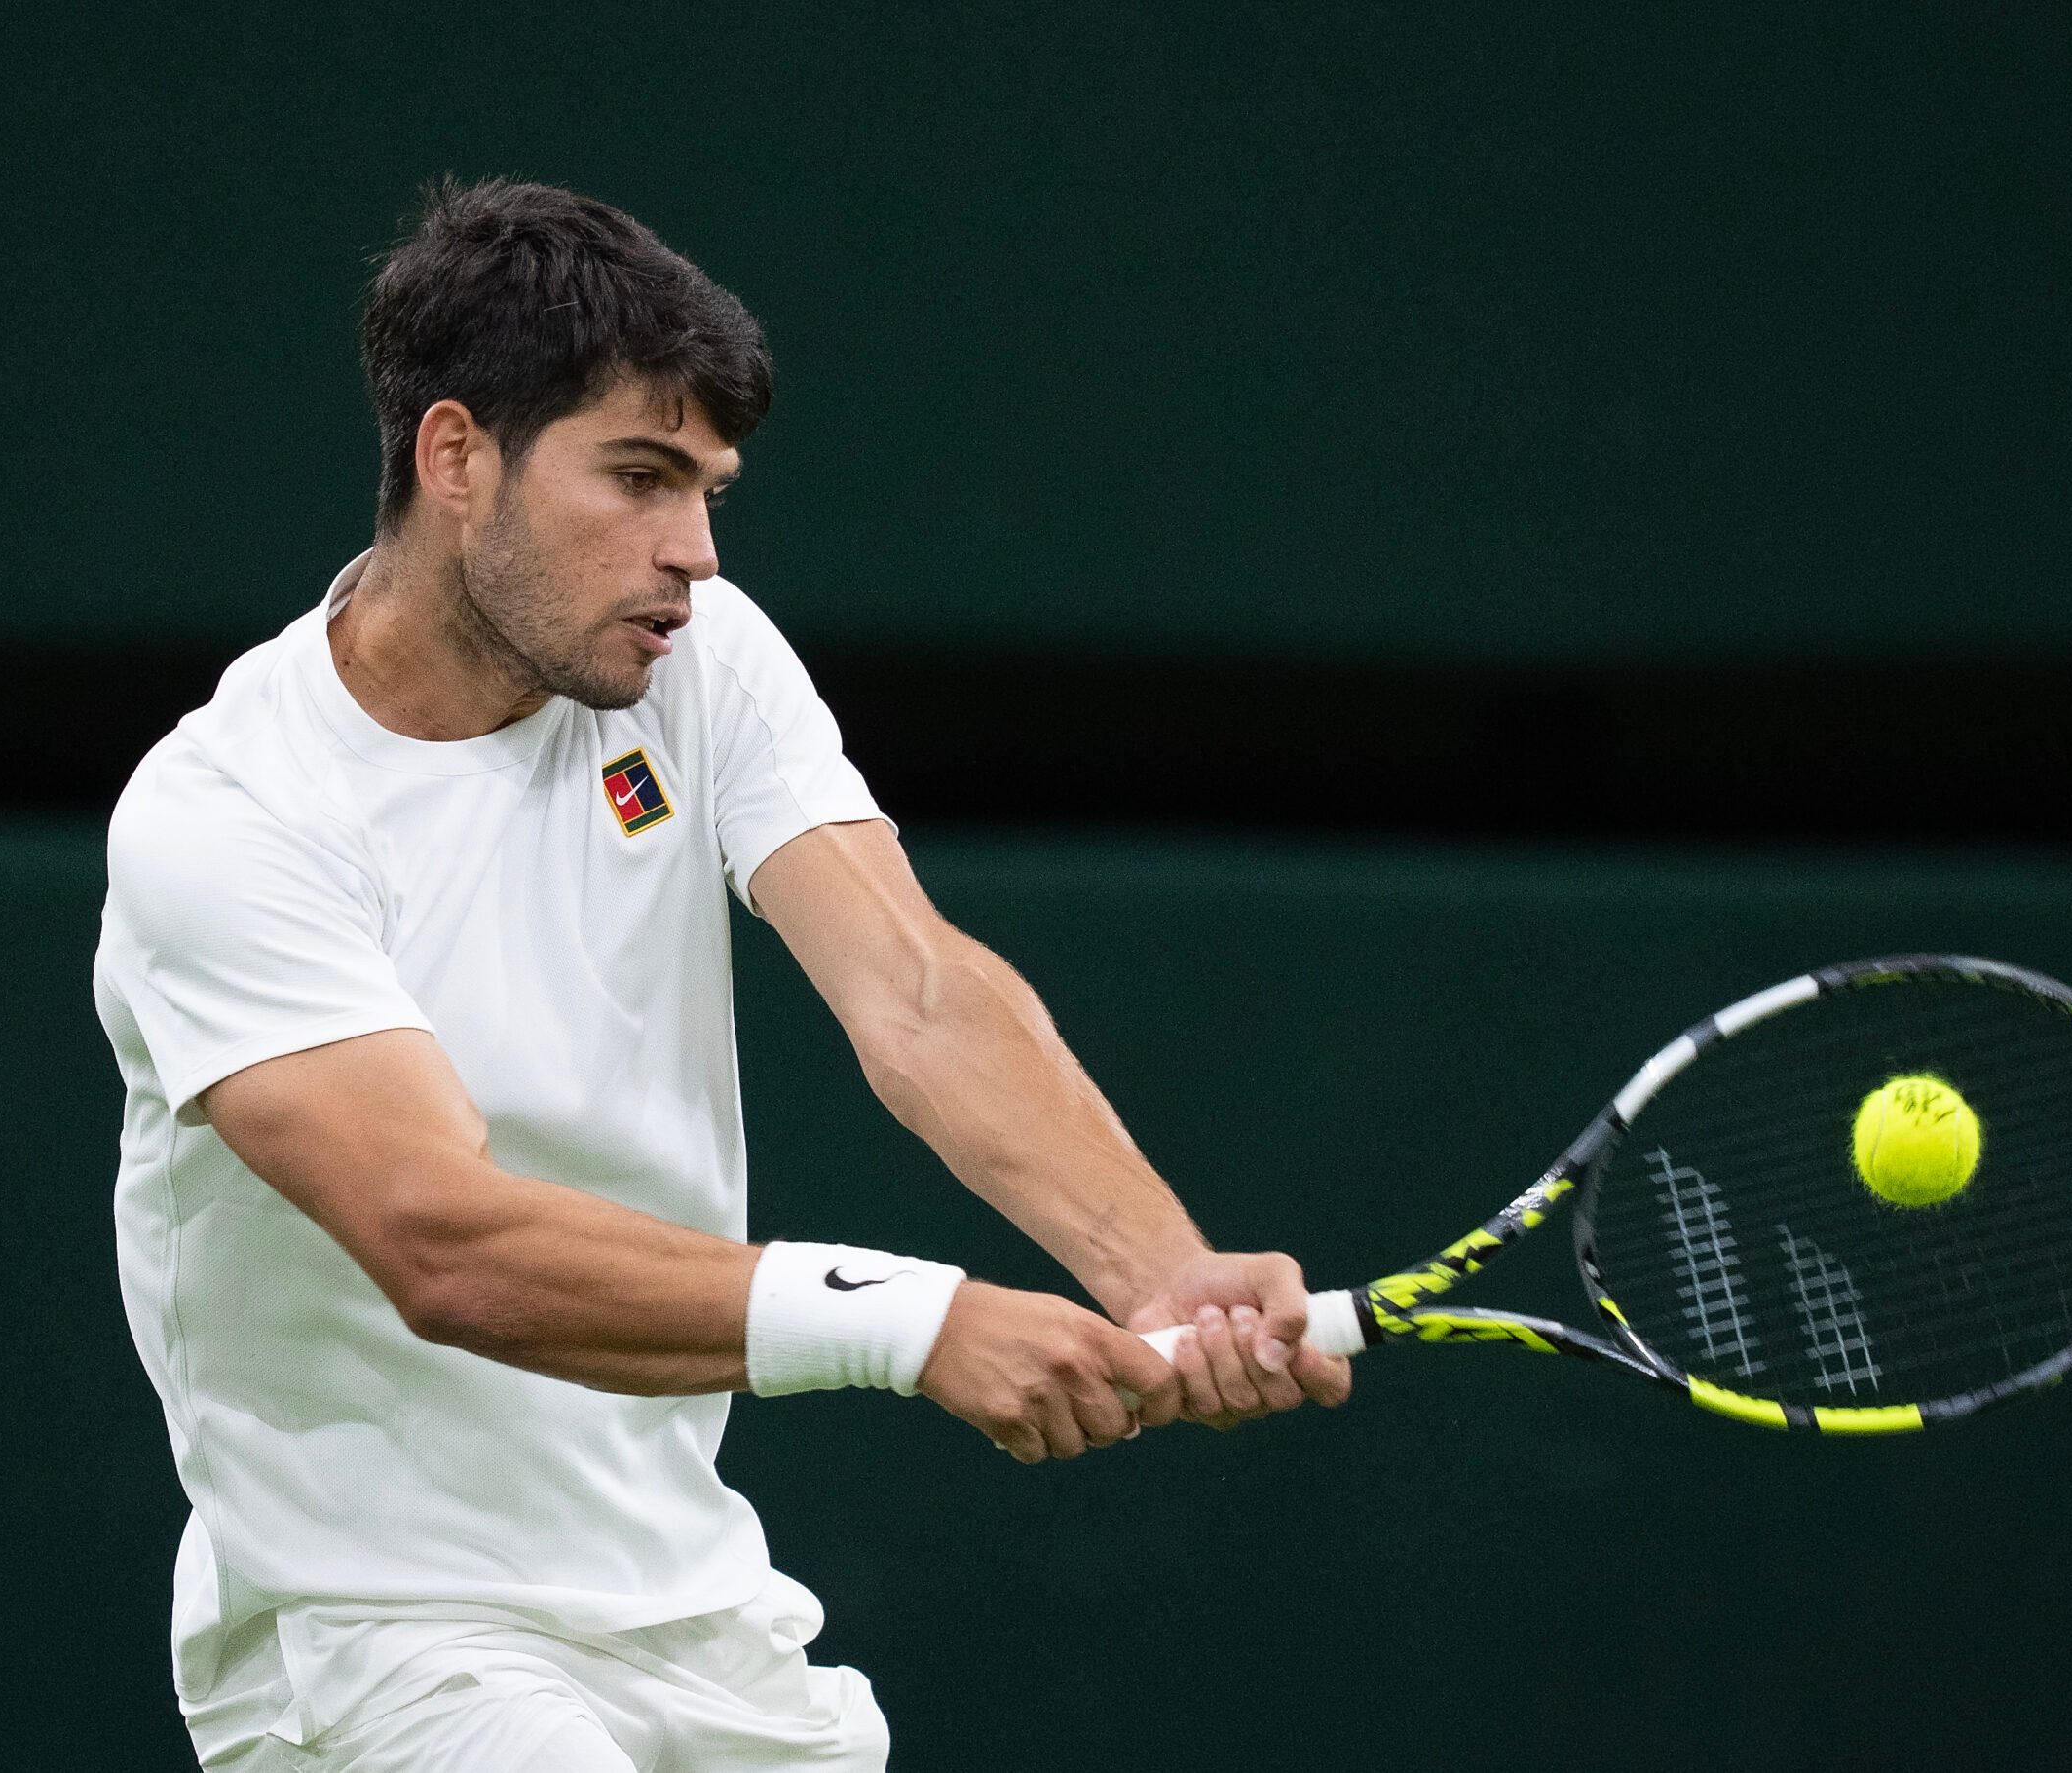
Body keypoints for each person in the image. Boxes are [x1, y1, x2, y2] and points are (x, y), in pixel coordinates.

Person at [94, 176, 1350, 1773]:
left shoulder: (702, 663)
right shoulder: (230, 817)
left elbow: (917, 994)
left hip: (687, 1606)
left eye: (709, 489)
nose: (691, 549)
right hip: (371, 1636)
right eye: (638, 477)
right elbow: (442, 1242)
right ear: (456, 457)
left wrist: (1158, 1272)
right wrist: (911, 1319)